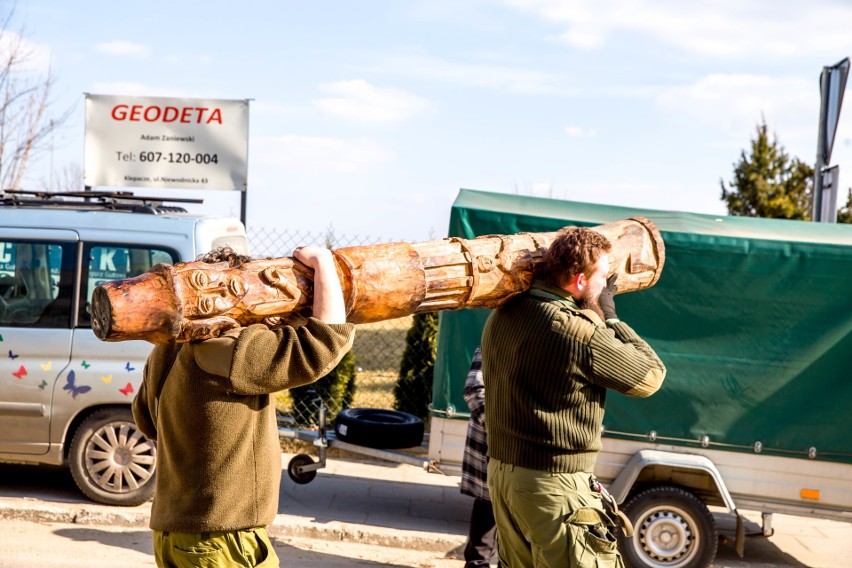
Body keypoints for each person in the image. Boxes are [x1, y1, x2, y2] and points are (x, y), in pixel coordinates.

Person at [132, 245, 354, 568]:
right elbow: (323, 344)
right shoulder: (231, 350)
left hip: (174, 533)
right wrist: (324, 264)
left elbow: (145, 419)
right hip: (220, 540)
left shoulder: (169, 349)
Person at [481, 226, 667, 567]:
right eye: (604, 277)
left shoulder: (504, 314)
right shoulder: (576, 331)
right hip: (554, 486)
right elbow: (651, 376)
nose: (607, 284)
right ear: (580, 281)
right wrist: (609, 315)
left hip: (504, 480)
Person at [460, 346, 497, 567]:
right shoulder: (493, 341)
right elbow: (474, 390)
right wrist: (502, 428)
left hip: (526, 467)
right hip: (490, 454)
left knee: (517, 549)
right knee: (479, 550)